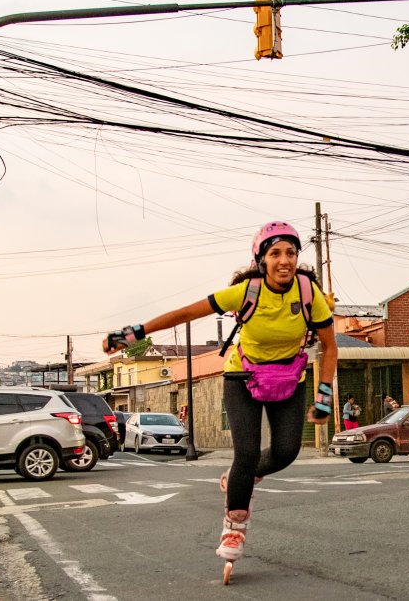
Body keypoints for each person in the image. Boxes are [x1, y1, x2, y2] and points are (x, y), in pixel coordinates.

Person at [102, 220, 337, 569]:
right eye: (275, 253)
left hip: (289, 377)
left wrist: (323, 396)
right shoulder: (245, 292)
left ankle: (239, 479)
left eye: (291, 252)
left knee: (288, 451)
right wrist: (133, 333)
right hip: (241, 376)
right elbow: (185, 313)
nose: (284, 260)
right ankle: (234, 528)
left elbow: (330, 348)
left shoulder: (308, 293)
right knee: (245, 453)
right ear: (261, 259)